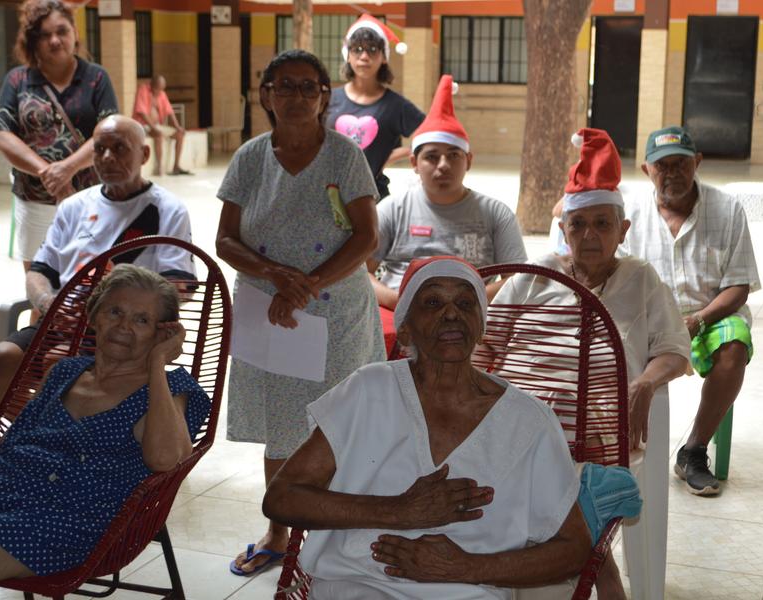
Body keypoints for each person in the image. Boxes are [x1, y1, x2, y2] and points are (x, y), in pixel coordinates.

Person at [264, 256, 596, 600]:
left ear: (481, 327)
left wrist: (467, 568)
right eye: (433, 302)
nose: (451, 314)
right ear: (405, 328)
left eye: (466, 303)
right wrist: (398, 511)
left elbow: (574, 550)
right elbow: (282, 498)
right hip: (355, 587)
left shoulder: (529, 421)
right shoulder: (369, 390)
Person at [495, 128, 690, 600]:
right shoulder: (535, 278)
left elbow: (675, 351)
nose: (590, 235)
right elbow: (489, 346)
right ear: (563, 229)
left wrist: (645, 382)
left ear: (623, 231)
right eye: (579, 224)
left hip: (596, 434)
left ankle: (582, 563)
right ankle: (595, 566)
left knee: (556, 478)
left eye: (603, 224)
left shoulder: (641, 280)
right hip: (517, 426)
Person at [216, 49, 385, 576]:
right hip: (271, 316)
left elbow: (366, 236)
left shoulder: (343, 156)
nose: (294, 96)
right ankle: (279, 533)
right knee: (280, 426)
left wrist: (304, 285)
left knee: (340, 422)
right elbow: (225, 239)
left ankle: (340, 539)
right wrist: (276, 276)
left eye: (306, 87)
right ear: (265, 94)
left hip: (336, 315)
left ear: (323, 97)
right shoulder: (249, 157)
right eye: (282, 86)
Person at [0, 264, 211, 580]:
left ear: (161, 332)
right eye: (114, 312)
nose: (124, 326)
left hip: (66, 521)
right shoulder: (64, 373)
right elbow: (13, 444)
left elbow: (165, 459)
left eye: (142, 320)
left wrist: (157, 365)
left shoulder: (167, 390)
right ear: (95, 315)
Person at [0, 115, 196, 402]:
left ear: (144, 154)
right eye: (100, 149)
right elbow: (39, 271)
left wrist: (120, 300)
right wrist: (48, 303)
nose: (107, 157)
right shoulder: (73, 207)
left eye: (119, 148)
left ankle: (41, 439)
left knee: (59, 364)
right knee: (4, 358)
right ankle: (19, 440)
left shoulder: (166, 209)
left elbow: (181, 285)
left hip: (123, 330)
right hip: (62, 321)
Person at [623, 126, 760, 497]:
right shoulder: (628, 214)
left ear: (697, 163)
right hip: (647, 320)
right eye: (661, 166)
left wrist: (698, 320)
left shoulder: (727, 209)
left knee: (735, 344)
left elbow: (738, 286)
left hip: (708, 318)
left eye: (680, 164)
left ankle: (694, 451)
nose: (671, 174)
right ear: (646, 170)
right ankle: (617, 447)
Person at [368, 75, 527, 350]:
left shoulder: (495, 213)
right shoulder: (392, 209)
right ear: (414, 163)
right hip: (401, 320)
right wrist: (400, 301)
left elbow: (517, 279)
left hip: (472, 321)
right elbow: (361, 273)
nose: (443, 165)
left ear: (469, 161)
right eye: (431, 156)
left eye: (453, 155)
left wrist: (465, 301)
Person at [0, 0, 118, 275]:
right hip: (35, 200)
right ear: (32, 41)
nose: (54, 40)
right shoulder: (18, 80)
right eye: (44, 34)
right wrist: (47, 172)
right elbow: (3, 133)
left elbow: (108, 132)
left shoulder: (96, 78)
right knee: (41, 282)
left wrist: (68, 168)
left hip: (91, 199)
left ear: (75, 33)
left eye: (61, 31)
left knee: (96, 281)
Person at [326, 14, 425, 199]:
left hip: (374, 197)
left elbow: (430, 134)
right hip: (328, 196)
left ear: (384, 57)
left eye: (372, 50)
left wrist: (388, 157)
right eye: (357, 49)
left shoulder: (395, 105)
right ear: (347, 55)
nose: (364, 56)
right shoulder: (328, 99)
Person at [132, 75, 191, 176]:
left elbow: (170, 111)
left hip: (157, 125)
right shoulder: (143, 90)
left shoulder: (161, 94)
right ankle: (159, 167)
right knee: (158, 135)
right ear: (152, 85)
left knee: (180, 135)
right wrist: (153, 127)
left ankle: (176, 166)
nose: (159, 92)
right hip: (143, 125)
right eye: (157, 89)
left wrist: (177, 127)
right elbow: (141, 112)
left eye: (161, 89)